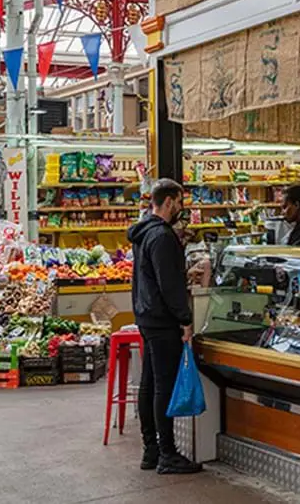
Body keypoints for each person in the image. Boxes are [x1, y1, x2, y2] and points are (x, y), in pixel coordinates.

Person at [127, 178, 202, 476]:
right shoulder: (162, 236)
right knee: (163, 385)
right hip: (162, 320)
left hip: (146, 316)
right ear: (169, 201)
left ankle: (151, 450)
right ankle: (167, 453)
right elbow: (169, 286)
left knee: (149, 384)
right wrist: (184, 319)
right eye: (180, 202)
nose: (181, 208)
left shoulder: (144, 233)